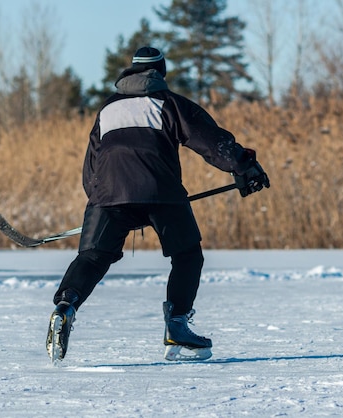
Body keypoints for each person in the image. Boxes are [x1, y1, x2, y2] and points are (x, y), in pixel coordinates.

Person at [45, 46, 269, 362]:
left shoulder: (107, 110)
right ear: (160, 71)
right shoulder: (168, 103)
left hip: (107, 197)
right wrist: (244, 166)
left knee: (94, 256)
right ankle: (177, 325)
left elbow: (91, 168)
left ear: (131, 73)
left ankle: (66, 305)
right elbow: (210, 141)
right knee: (188, 255)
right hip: (160, 192)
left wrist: (104, 205)